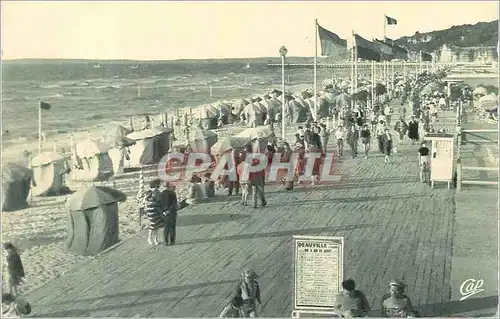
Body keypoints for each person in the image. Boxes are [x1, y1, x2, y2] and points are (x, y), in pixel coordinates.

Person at [143, 179, 164, 245]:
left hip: (149, 210)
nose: (160, 185)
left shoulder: (149, 192)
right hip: (154, 210)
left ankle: (154, 239)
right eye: (159, 184)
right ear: (156, 185)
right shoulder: (157, 192)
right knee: (154, 225)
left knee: (154, 224)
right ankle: (151, 238)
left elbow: (145, 201)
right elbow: (159, 202)